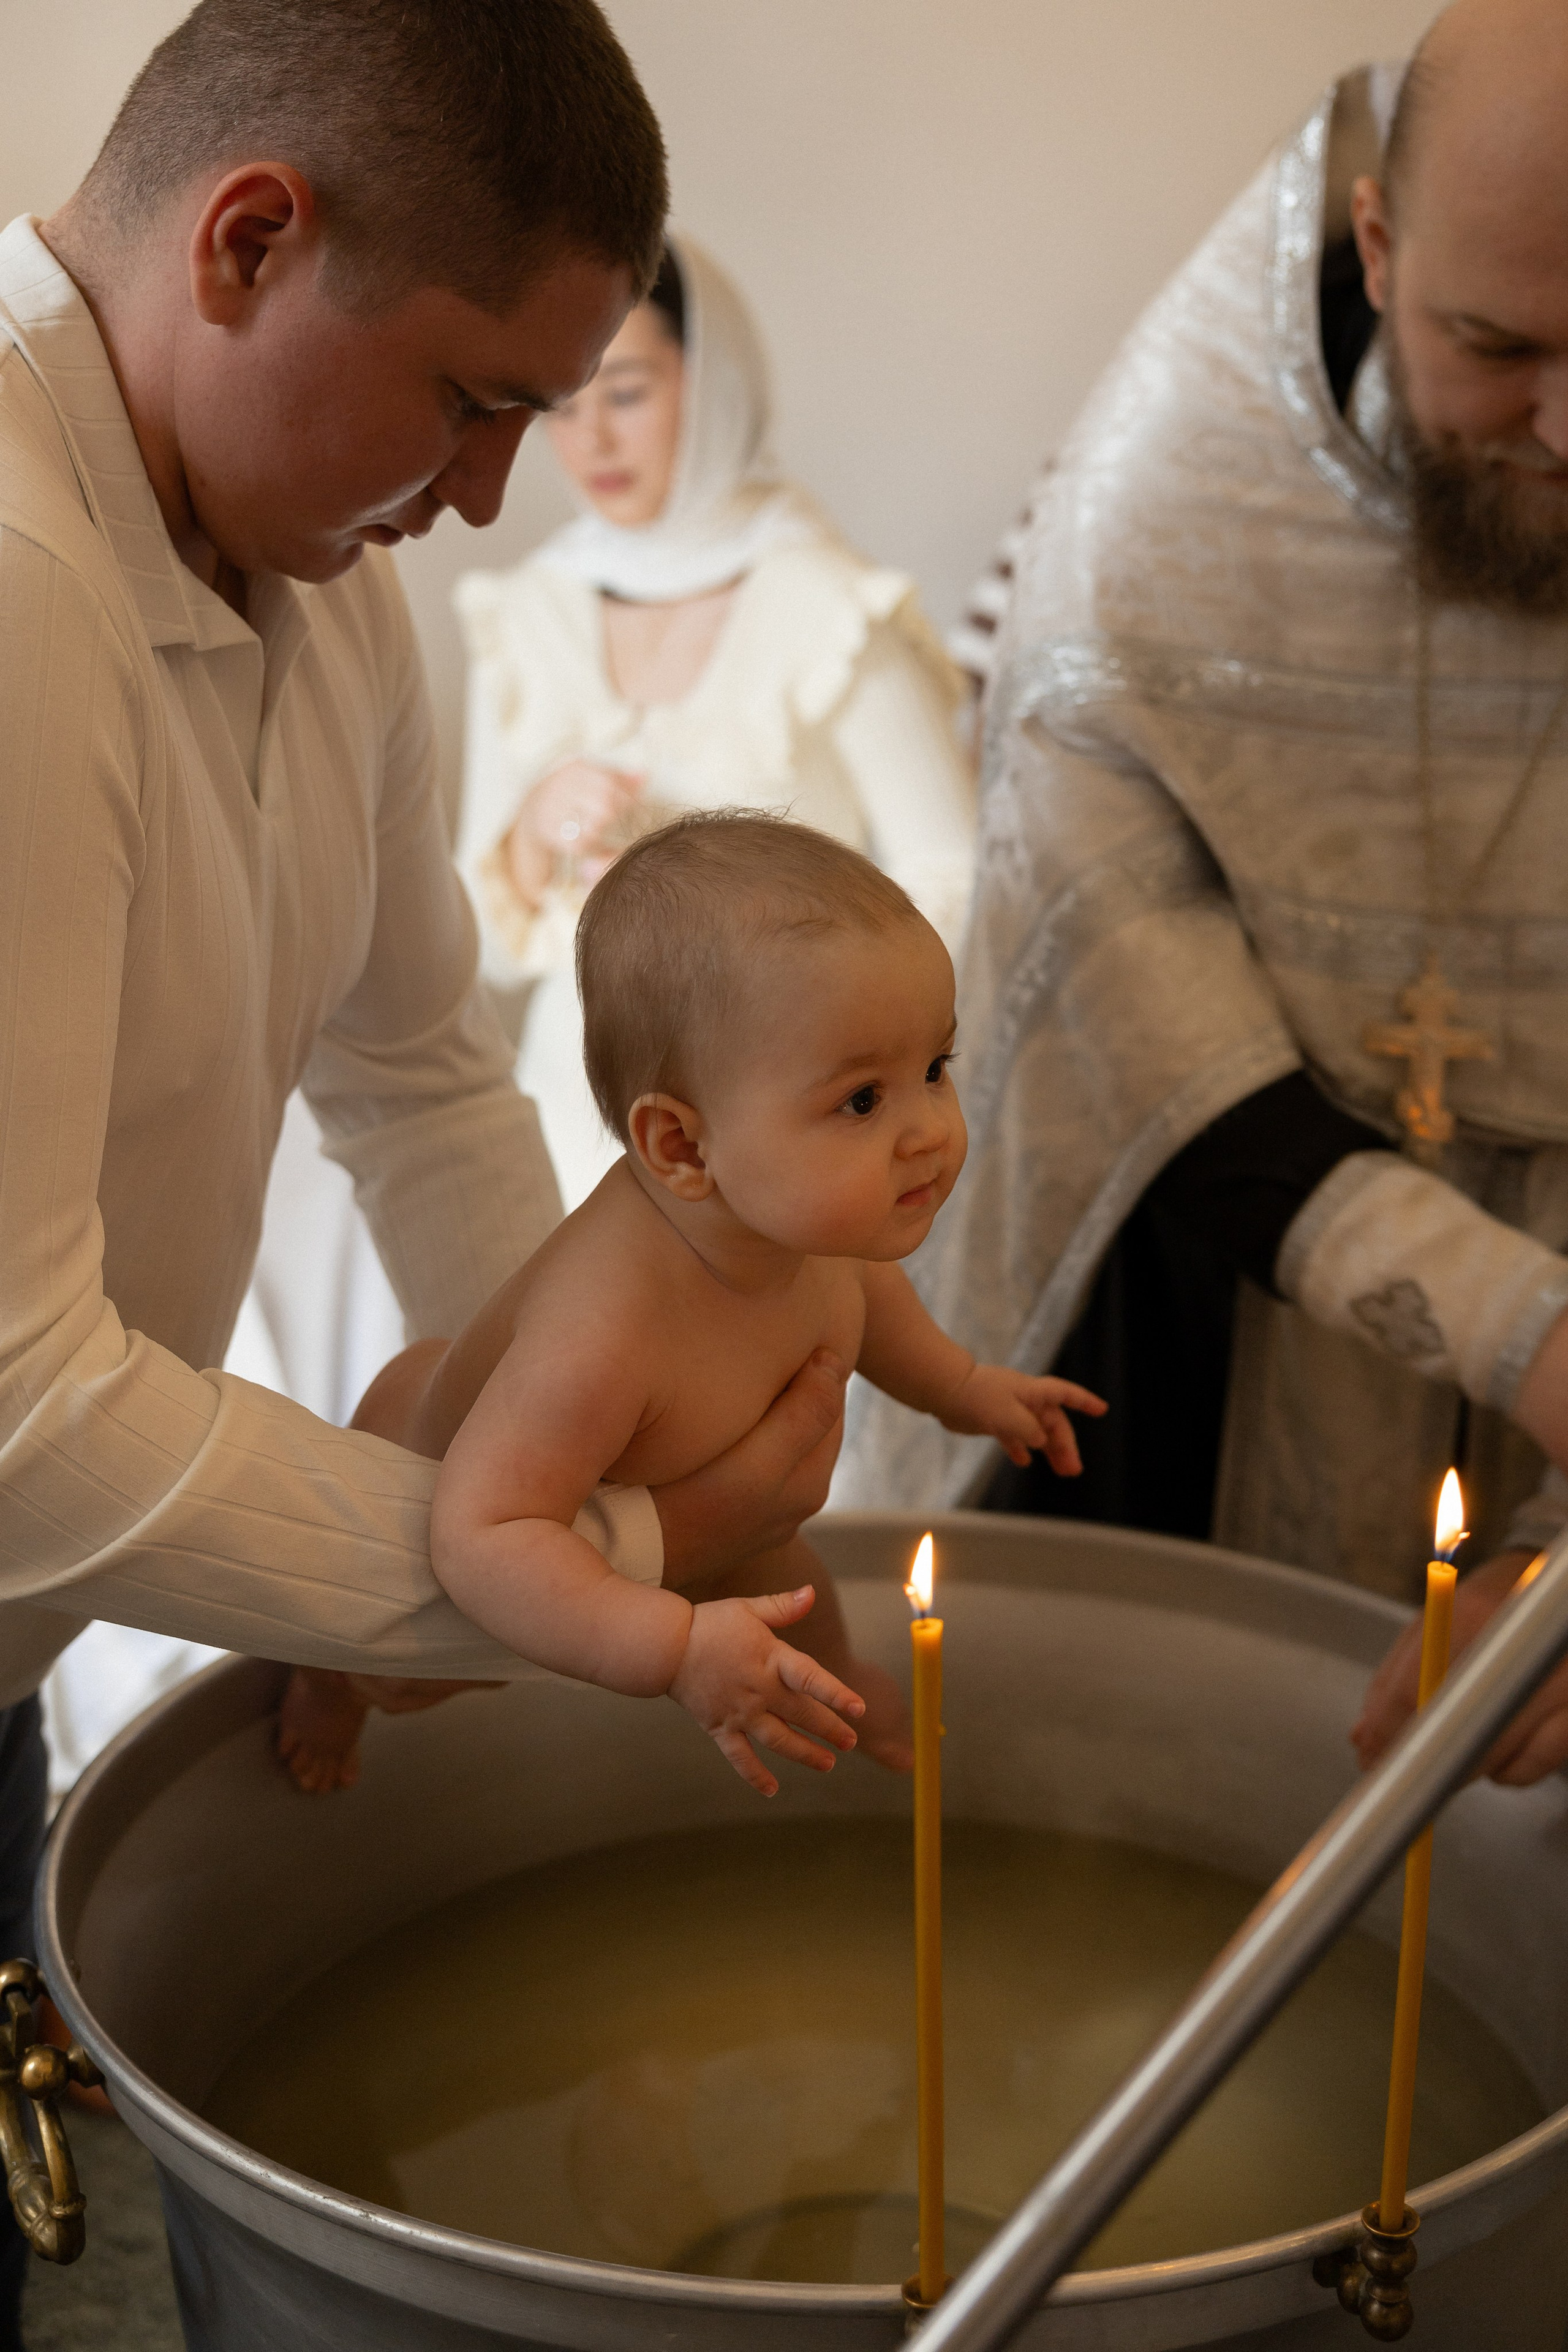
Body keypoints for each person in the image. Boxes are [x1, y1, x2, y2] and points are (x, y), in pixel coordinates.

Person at [0, 5, 848, 2337]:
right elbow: (15, 1413)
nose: (493, 497)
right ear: (250, 240)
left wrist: (614, 1405)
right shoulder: (10, 579)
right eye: (477, 398)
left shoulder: (333, 586)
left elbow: (422, 1080)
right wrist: (588, 1582)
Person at [839, 0, 1568, 1788]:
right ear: (1380, 244)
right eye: (1498, 346)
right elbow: (1116, 993)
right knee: (1142, 1811)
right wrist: (1527, 1332)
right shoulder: (1166, 509)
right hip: (1208, 1292)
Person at [278, 815, 1102, 1796]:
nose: (929, 1129)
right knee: (410, 1667)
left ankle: (843, 1694)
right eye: (862, 1102)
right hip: (429, 1495)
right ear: (680, 1146)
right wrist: (672, 1647)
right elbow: (482, 1534)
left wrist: (966, 1389)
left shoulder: (796, 1225)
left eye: (934, 1069)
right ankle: (322, 1685)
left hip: (700, 1502)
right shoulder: (606, 1329)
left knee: (798, 1598)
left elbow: (871, 1304)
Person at [453, 235, 976, 1208]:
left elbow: (954, 875)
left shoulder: (827, 605)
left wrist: (822, 1006)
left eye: (629, 391)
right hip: (575, 1124)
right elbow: (476, 942)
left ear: (716, 379)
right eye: (562, 401)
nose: (592, 439)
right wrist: (533, 835)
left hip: (801, 1116)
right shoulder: (529, 615)